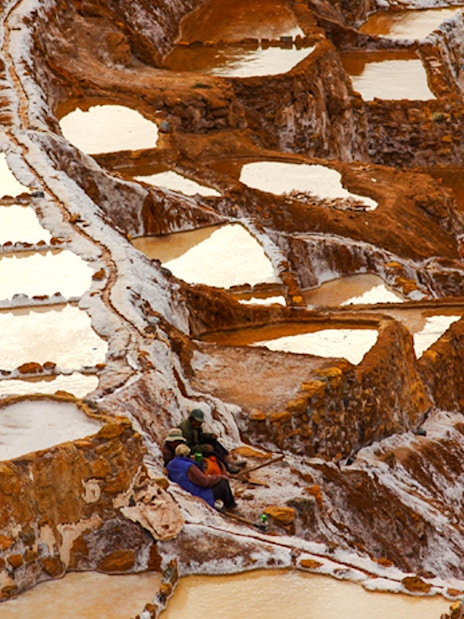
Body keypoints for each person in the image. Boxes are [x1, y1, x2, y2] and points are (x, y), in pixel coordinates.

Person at [167, 443, 237, 511]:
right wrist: (219, 477)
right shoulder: (190, 467)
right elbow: (205, 482)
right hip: (197, 493)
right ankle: (231, 506)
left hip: (185, 490)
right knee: (223, 483)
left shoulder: (171, 464)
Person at [178, 408, 246, 474]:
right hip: (189, 451)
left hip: (197, 445)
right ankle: (226, 466)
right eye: (197, 422)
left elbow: (200, 436)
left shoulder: (196, 426)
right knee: (211, 450)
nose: (198, 424)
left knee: (213, 442)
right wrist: (204, 448)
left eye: (200, 423)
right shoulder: (186, 430)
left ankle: (229, 460)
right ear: (191, 419)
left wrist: (210, 436)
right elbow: (188, 448)